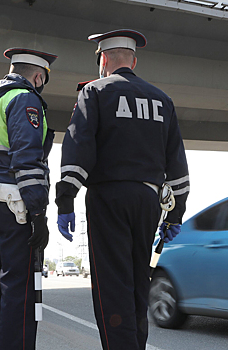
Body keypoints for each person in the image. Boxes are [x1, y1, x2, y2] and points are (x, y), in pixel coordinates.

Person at [55, 29, 189, 350]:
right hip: (148, 201)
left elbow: (79, 149)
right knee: (137, 287)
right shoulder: (162, 100)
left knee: (112, 288)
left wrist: (65, 200)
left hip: (108, 198)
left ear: (103, 59)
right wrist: (175, 216)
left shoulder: (96, 92)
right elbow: (178, 167)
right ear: (134, 59)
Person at [0, 47, 57, 350]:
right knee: (21, 296)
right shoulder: (25, 98)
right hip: (17, 207)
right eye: (43, 80)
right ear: (37, 75)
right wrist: (38, 214)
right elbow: (28, 160)